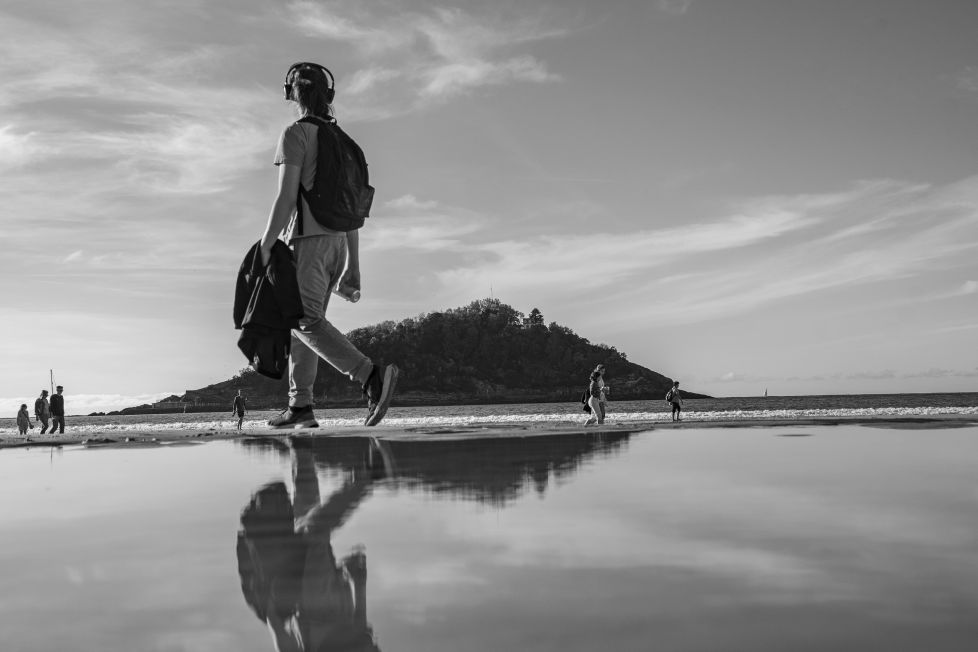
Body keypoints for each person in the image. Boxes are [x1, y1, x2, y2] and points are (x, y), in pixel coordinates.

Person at [260, 62, 398, 429]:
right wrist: (353, 264)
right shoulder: (342, 141)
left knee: (303, 320)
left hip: (307, 240)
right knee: (305, 325)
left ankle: (370, 376)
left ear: (292, 94)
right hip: (338, 243)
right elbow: (351, 209)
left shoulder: (295, 134)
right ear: (329, 95)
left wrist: (265, 244)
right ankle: (300, 407)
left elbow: (287, 198)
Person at [236, 438, 386, 651]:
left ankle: (302, 451)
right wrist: (271, 615)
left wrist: (359, 584)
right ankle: (368, 477)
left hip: (329, 608)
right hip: (316, 609)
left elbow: (361, 632)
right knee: (312, 532)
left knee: (306, 519)